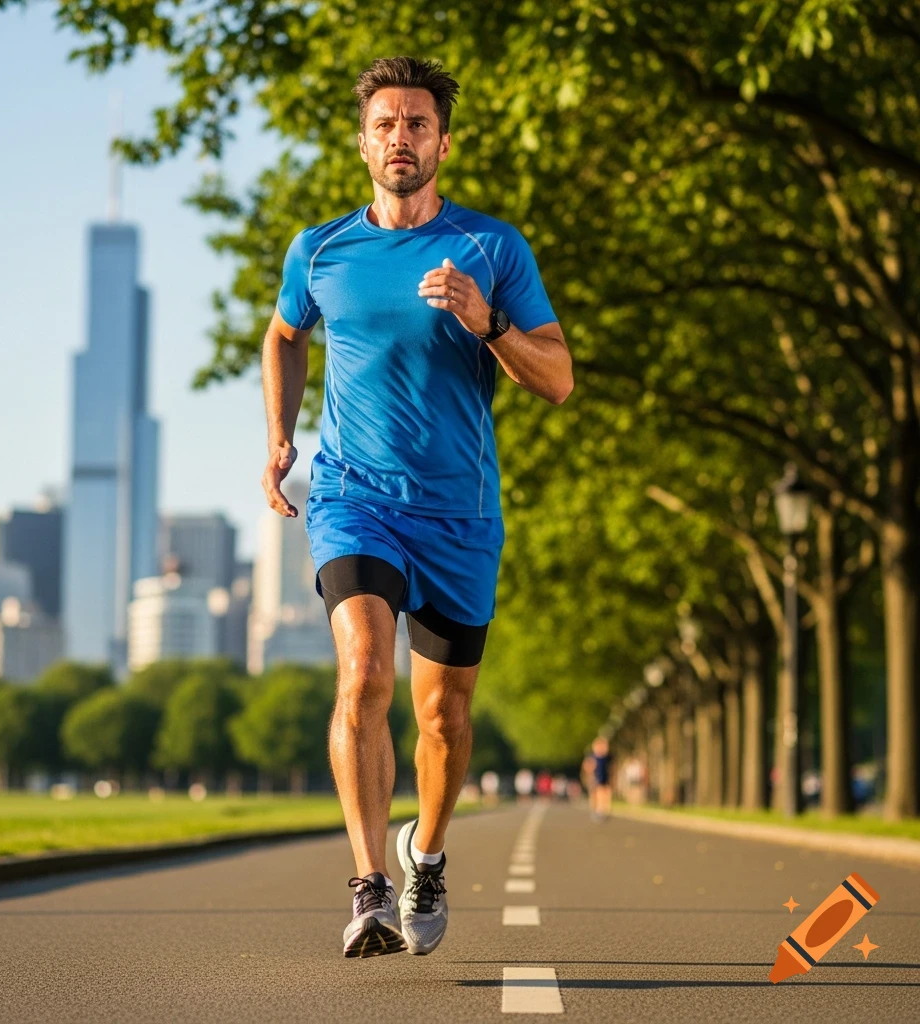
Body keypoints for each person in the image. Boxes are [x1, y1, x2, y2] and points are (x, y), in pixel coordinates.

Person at [260, 56, 572, 958]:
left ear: (443, 140)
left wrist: (490, 323)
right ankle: (369, 885)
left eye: (418, 124)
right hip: (354, 499)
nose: (402, 137)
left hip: (460, 516)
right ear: (363, 141)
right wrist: (281, 436)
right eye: (386, 123)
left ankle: (426, 851)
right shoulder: (319, 250)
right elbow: (284, 334)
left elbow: (557, 380)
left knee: (444, 716)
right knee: (362, 674)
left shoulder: (491, 250)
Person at [590, 736, 612, 821]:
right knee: (598, 793)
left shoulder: (607, 757)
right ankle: (599, 810)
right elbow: (588, 766)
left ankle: (604, 810)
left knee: (606, 793)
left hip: (605, 777)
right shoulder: (594, 757)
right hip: (597, 777)